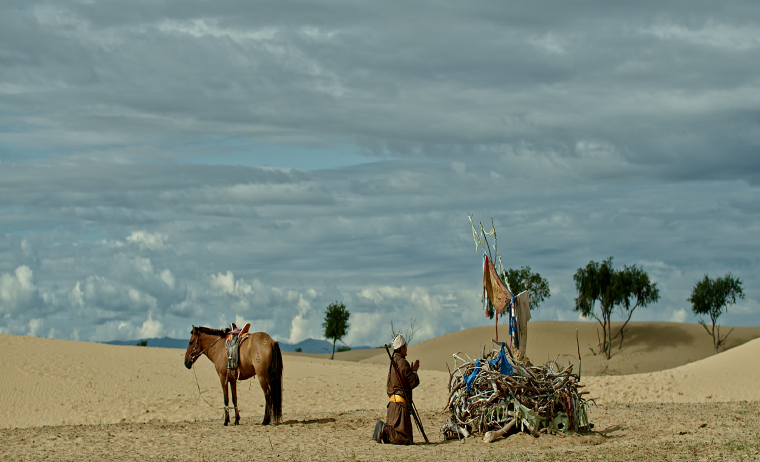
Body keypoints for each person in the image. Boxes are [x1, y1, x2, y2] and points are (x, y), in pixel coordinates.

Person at [374, 333, 420, 444]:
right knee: (404, 438)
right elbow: (413, 382)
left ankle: (385, 431)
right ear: (402, 347)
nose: (406, 348)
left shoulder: (393, 363)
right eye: (405, 346)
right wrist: (414, 371)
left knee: (403, 436)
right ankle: (384, 431)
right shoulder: (403, 362)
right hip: (400, 407)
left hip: (393, 405)